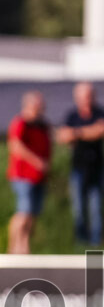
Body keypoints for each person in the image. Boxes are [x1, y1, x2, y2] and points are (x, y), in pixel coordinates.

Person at [56, 82, 104, 247]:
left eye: (89, 96)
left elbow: (99, 131)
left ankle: (95, 244)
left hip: (97, 168)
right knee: (78, 208)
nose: (87, 100)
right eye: (83, 97)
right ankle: (81, 244)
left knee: (95, 208)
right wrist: (87, 132)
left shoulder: (99, 113)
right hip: (78, 169)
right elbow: (62, 137)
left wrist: (77, 133)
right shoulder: (72, 116)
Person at [7, 91, 51, 254]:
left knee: (31, 215)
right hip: (23, 176)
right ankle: (13, 248)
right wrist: (36, 161)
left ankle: (24, 247)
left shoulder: (42, 125)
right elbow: (15, 146)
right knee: (23, 212)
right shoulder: (21, 123)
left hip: (39, 177)